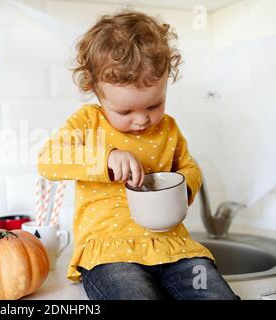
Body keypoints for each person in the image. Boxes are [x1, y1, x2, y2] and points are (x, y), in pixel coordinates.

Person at [36, 9, 239, 300]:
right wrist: (105, 158)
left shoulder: (169, 129)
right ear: (96, 91)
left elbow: (191, 168)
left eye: (154, 105)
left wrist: (184, 185)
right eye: (125, 111)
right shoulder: (88, 122)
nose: (142, 119)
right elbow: (48, 159)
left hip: (176, 249)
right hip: (110, 253)